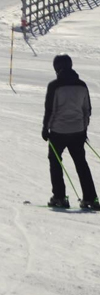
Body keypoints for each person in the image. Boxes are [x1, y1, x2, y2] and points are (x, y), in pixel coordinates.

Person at [42, 54, 100, 210]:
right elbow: (87, 110)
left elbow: (50, 110)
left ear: (57, 67)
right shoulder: (82, 85)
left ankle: (59, 197)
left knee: (55, 162)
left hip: (58, 132)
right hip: (78, 131)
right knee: (81, 163)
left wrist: (45, 128)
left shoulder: (54, 85)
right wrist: (84, 130)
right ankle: (91, 198)